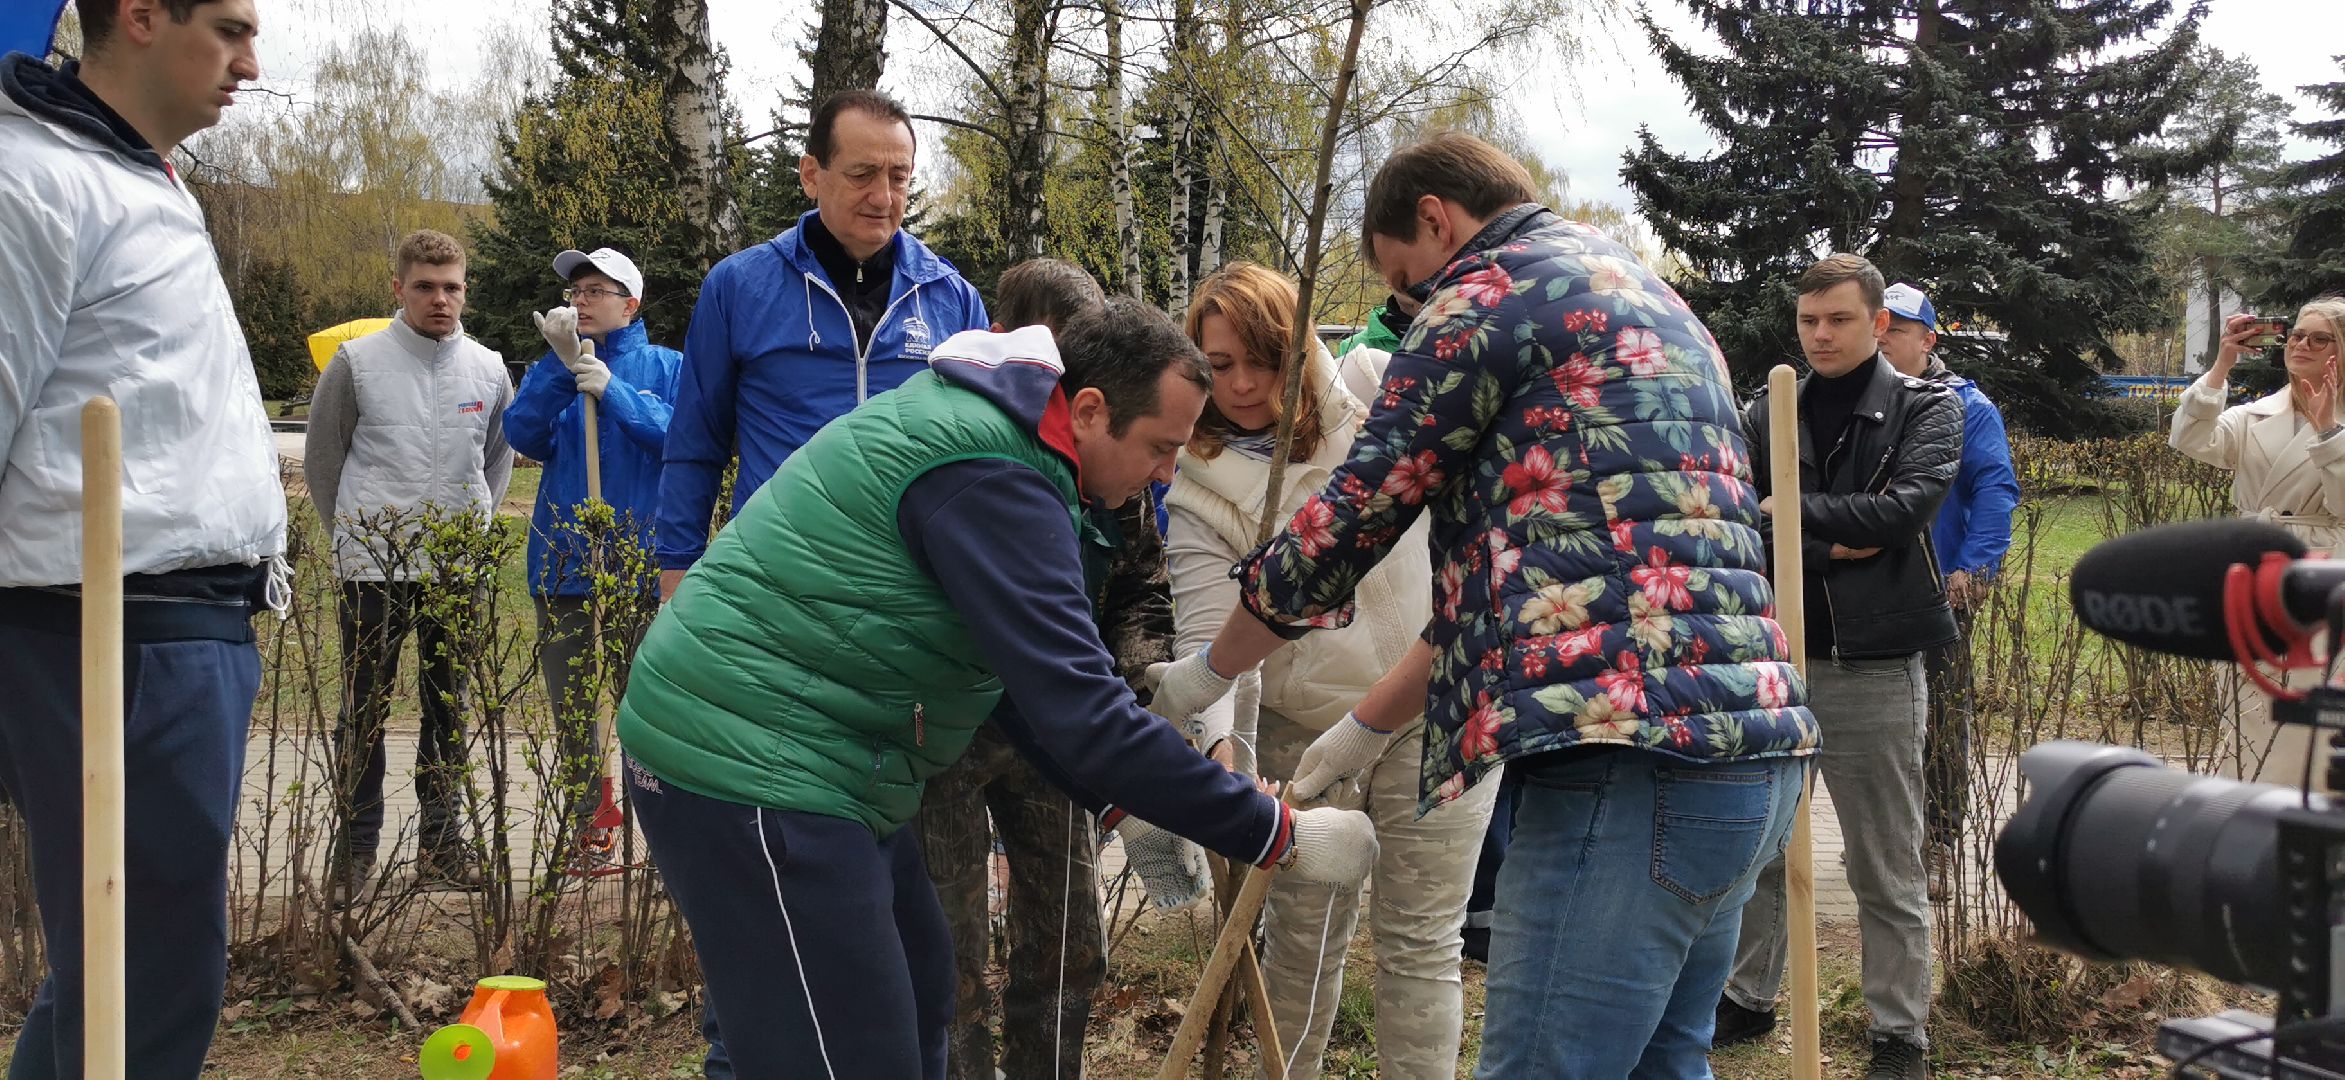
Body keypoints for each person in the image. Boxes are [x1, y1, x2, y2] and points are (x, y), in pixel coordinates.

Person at [1144, 131, 1817, 1078]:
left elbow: (1342, 532)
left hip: (1624, 762)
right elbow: (1516, 597)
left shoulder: (1485, 298)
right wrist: (1357, 730)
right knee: (1665, 1066)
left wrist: (1206, 670)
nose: (1411, 307)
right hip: (1753, 747)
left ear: (1435, 218)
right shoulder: (1647, 297)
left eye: (1407, 278)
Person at [614, 298, 1375, 1078]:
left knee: (913, 1001)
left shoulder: (1005, 440)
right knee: (845, 1054)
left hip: (813, 760)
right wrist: (1275, 834)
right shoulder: (991, 473)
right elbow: (1080, 708)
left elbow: (1009, 678)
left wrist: (1122, 804)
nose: (1164, 474)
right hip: (748, 763)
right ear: (1087, 410)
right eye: (1159, 446)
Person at [0, 2, 283, 1073]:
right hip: (105, 629)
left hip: (179, 627)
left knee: (118, 972)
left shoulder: (142, 177)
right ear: (142, 15)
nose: (251, 64)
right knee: (149, 978)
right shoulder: (31, 180)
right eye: (229, 28)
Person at [1165, 261, 1499, 1080]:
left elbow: (1471, 525)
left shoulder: (1381, 394)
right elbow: (1212, 645)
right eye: (1219, 364)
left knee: (1422, 941)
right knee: (1301, 949)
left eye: (1264, 358)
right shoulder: (1196, 486)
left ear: (1300, 347)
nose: (1243, 384)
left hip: (1436, 708)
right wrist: (1227, 766)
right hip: (1300, 740)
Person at [911, 258, 1170, 1080]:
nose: (1069, 382)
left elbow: (1137, 590)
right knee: (947, 958)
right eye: (1062, 357)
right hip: (947, 730)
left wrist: (1150, 690)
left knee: (1067, 948)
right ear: (1006, 340)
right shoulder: (973, 447)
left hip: (1057, 736)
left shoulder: (1111, 451)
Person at [1718, 254, 1961, 1080]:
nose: (1820, 336)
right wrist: (1830, 536)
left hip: (1873, 660)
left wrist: (1788, 518)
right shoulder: (1765, 409)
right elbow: (1733, 518)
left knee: (1883, 862)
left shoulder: (1925, 406)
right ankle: (1745, 1000)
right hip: (1777, 661)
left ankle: (1898, 1033)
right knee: (1758, 847)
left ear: (1877, 324)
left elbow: (1901, 514)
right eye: (1808, 322)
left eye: (1838, 321)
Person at [657, 89, 988, 600]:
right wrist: (677, 570)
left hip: (909, 591)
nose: (883, 197)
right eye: (862, 175)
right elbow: (696, 444)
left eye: (898, 178)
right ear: (812, 174)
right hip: (777, 585)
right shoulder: (738, 288)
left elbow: (979, 455)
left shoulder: (952, 298)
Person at [305, 228, 514, 896]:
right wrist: (355, 536)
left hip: (455, 571)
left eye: (451, 287)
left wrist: (469, 535)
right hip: (372, 567)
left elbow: (496, 464)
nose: (440, 299)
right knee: (362, 710)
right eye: (425, 286)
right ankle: (356, 851)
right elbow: (324, 460)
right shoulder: (357, 362)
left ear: (465, 290)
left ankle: (443, 846)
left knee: (448, 708)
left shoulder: (488, 369)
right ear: (399, 288)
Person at [505, 246, 680, 872]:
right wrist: (561, 368)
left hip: (642, 566)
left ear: (629, 303)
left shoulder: (666, 366)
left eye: (594, 291)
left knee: (649, 709)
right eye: (574, 292)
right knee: (576, 710)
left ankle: (665, 834)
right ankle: (592, 827)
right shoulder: (551, 367)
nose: (578, 301)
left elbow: (681, 435)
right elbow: (521, 434)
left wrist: (616, 392)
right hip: (565, 566)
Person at [1877, 282, 2018, 900]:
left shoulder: (1967, 405)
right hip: (1863, 591)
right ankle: (1882, 841)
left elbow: (1995, 489)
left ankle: (1937, 842)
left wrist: (1974, 569)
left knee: (1940, 715)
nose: (1883, 338)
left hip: (1939, 589)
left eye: (1898, 330)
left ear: (1928, 339)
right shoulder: (1859, 400)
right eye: (1879, 326)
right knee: (1873, 723)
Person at [2171, 299, 2345, 790]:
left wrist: (2329, 430)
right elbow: (2189, 438)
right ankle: (2246, 818)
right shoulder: (2257, 415)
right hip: (2257, 576)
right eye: (2296, 335)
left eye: (2319, 338)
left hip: (2325, 577)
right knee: (2249, 707)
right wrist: (2223, 361)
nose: (2301, 345)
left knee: (2316, 715)